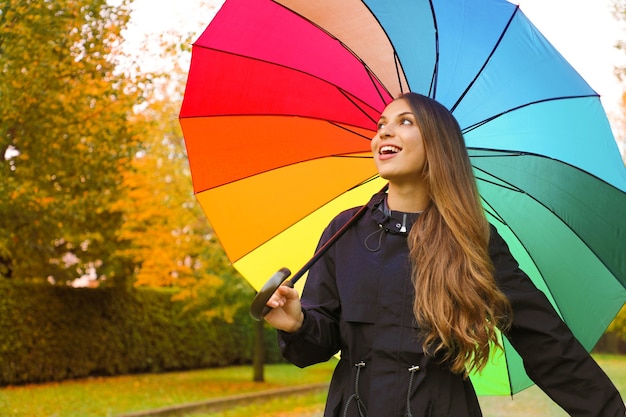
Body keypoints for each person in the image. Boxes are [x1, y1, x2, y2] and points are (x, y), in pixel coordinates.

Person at [263, 92, 625, 416]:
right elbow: (313, 348)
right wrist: (298, 324)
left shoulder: (472, 239)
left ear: (438, 144)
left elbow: (546, 343)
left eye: (405, 122)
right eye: (380, 125)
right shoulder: (344, 231)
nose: (384, 133)